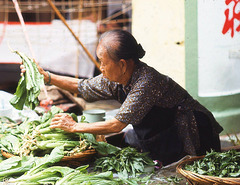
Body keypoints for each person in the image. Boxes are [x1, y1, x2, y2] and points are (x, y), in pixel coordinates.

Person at [21, 30, 223, 166]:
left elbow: (116, 125)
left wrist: (74, 126)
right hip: (161, 132)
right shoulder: (115, 78)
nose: (100, 68)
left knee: (191, 170)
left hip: (191, 129)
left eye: (103, 62)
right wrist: (46, 76)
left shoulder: (147, 82)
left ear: (123, 64)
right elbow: (82, 87)